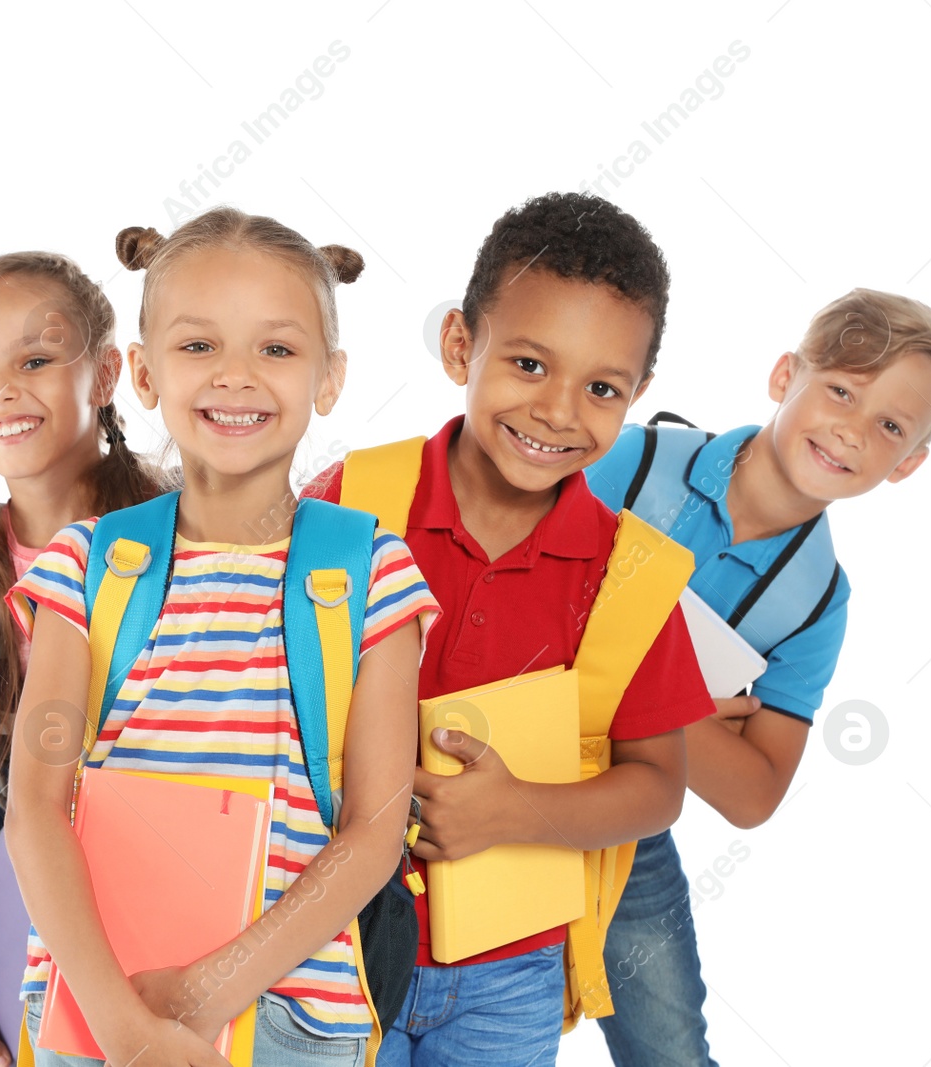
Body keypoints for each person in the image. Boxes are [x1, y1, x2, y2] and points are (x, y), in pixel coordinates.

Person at [6, 207, 440, 1067]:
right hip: (97, 1004)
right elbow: (34, 811)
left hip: (293, 1019)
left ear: (329, 377)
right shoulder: (87, 567)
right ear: (140, 371)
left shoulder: (369, 572)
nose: (235, 377)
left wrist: (206, 991)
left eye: (276, 349)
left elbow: (373, 834)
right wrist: (128, 1028)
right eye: (199, 345)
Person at [304, 191, 716, 1066]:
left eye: (602, 387)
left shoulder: (631, 575)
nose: (561, 411)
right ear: (462, 345)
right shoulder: (354, 498)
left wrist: (516, 811)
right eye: (529, 364)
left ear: (637, 394)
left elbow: (658, 788)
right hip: (327, 944)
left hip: (512, 969)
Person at [583, 287, 931, 1067]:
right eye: (843, 390)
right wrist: (690, 706)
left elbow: (754, 792)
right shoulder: (635, 458)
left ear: (910, 462)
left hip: (627, 807)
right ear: (785, 373)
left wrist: (646, 693)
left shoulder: (819, 601)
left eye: (891, 425)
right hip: (488, 746)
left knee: (673, 1050)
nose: (853, 429)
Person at [0, 252, 167, 1065]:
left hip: (175, 900)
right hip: (38, 915)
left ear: (109, 372)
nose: (0, 393)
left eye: (35, 361)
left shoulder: (173, 532)